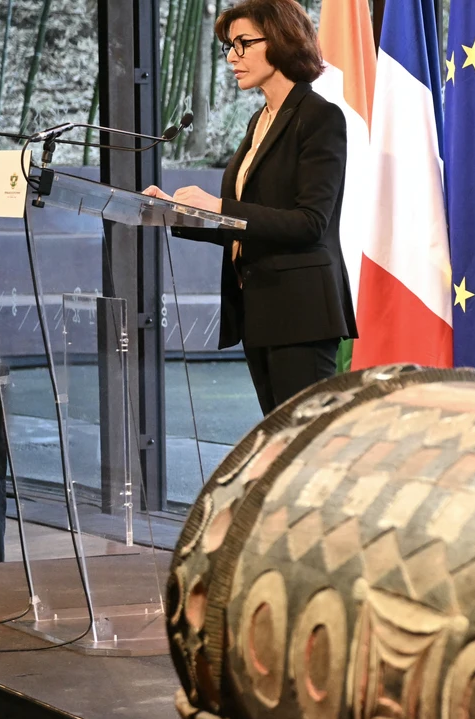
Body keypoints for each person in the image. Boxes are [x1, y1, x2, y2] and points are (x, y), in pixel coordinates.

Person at [147, 0, 354, 415]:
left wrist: (220, 205)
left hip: (301, 312)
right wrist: (177, 214)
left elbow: (309, 223)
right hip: (260, 308)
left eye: (243, 43)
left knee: (302, 452)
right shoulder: (259, 121)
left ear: (280, 41)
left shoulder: (319, 117)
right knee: (278, 446)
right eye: (228, 45)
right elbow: (249, 222)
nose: (231, 57)